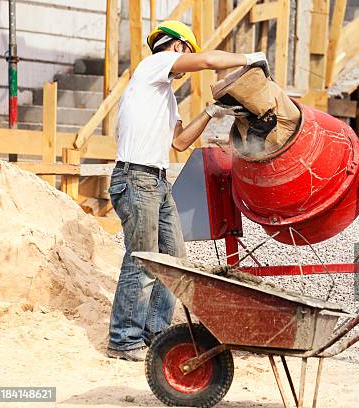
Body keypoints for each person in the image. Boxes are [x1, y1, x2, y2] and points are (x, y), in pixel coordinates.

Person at [106, 20, 267, 361]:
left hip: (157, 182)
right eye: (188, 54)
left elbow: (179, 142)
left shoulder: (164, 98)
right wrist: (250, 58)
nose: (186, 65)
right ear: (177, 47)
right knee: (143, 260)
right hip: (136, 178)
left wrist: (211, 112)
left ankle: (155, 334)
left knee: (174, 262)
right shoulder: (154, 65)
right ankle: (124, 340)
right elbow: (209, 61)